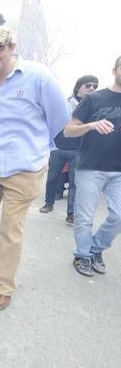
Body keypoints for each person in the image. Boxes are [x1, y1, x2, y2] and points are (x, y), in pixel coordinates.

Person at [0, 26, 70, 311]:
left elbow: (59, 119)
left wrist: (37, 149)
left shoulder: (38, 77)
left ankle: (3, 285)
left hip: (24, 167)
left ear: (12, 47)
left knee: (11, 228)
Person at [64, 56, 121, 277]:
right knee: (85, 216)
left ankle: (95, 249)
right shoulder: (94, 99)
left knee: (118, 216)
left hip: (118, 171)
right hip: (91, 166)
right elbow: (69, 130)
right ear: (114, 70)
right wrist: (91, 125)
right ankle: (83, 255)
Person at [40, 75, 99, 224]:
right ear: (79, 86)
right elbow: (52, 122)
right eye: (88, 85)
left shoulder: (94, 107)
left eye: (94, 86)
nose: (92, 88)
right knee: (52, 178)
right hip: (59, 147)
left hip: (79, 150)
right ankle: (49, 203)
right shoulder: (65, 103)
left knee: (75, 182)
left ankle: (71, 212)